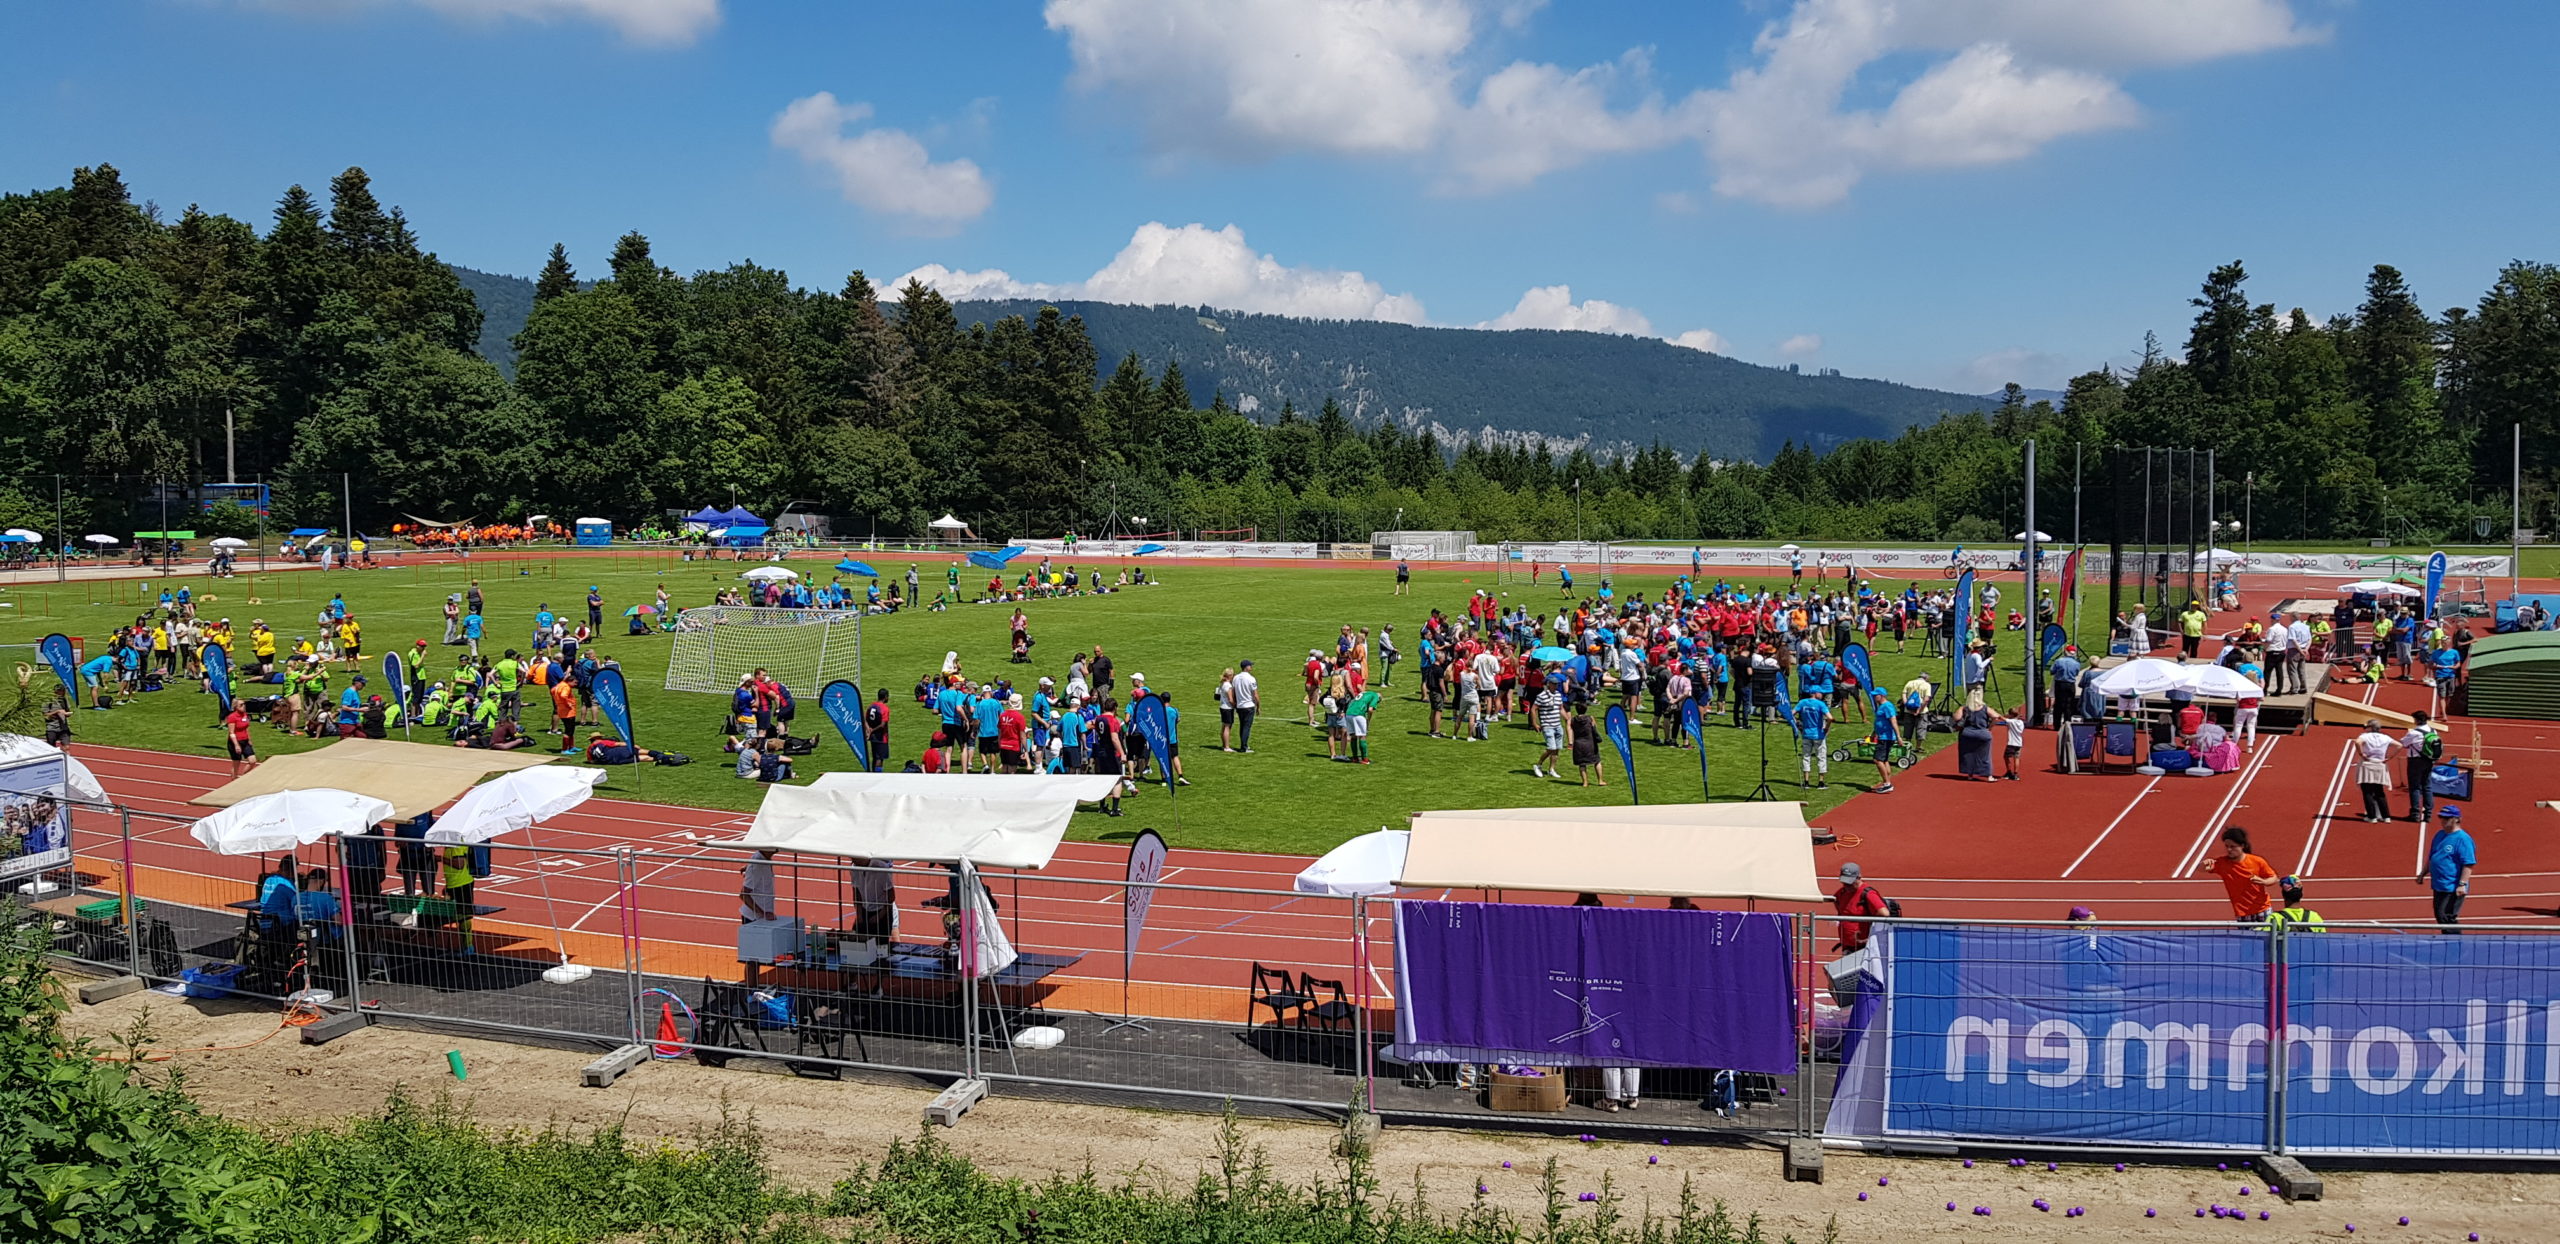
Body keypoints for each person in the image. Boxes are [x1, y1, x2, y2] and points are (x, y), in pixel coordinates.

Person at [2197, 825, 2280, 923]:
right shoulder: (2222, 863)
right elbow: (2201, 869)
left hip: (2263, 910)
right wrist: (2204, 864)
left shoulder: (2257, 861)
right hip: (2243, 914)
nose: (2229, 850)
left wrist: (2264, 882)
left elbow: (2273, 878)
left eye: (2232, 847)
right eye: (2227, 846)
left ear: (2242, 846)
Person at [2420, 806, 2476, 933]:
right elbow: (2433, 856)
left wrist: (2462, 884)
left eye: (2447, 818)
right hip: (2439, 884)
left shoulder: (2463, 839)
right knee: (2440, 915)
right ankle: (2448, 938)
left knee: (2447, 917)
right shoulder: (2440, 835)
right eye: (2441, 817)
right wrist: (2423, 873)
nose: (2443, 820)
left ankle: (2454, 941)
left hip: (2452, 886)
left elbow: (2468, 864)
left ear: (2456, 819)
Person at [1830, 862, 1891, 954]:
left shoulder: (1868, 894)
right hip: (1848, 946)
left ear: (1859, 877)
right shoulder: (1842, 893)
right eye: (1844, 883)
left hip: (1865, 947)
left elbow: (1884, 913)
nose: (1847, 886)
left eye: (1850, 883)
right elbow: (1837, 903)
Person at [2352, 719, 2397, 822]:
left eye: (2367, 727)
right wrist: (2390, 757)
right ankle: (2386, 816)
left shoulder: (2364, 736)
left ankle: (2372, 816)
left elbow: (2357, 742)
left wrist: (2361, 754)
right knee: (2379, 791)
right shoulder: (2385, 737)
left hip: (2367, 764)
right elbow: (2399, 745)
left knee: (2367, 791)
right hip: (2380, 764)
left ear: (2371, 727)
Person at [1792, 691, 1831, 789]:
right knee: (1821, 757)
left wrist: (1797, 723)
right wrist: (1826, 728)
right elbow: (1830, 718)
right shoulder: (1820, 704)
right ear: (1815, 694)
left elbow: (1791, 714)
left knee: (1806, 756)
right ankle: (1821, 782)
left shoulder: (1802, 702)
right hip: (1818, 734)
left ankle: (1806, 782)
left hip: (1806, 733)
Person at [1954, 690, 1994, 780]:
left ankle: (1970, 775)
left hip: (1967, 734)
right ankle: (1989, 775)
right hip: (1982, 734)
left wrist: (1960, 709)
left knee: (1968, 754)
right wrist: (1990, 727)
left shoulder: (1965, 708)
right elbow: (1995, 716)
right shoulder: (1985, 708)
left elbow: (1956, 717)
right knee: (1985, 755)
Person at [1532, 674, 1566, 778]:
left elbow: (1560, 708)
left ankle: (1552, 769)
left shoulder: (1558, 695)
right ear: (1549, 684)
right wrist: (1535, 723)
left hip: (1557, 725)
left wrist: (1567, 718)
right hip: (1547, 725)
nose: (1556, 686)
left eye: (1557, 684)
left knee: (1557, 749)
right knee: (1551, 747)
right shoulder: (1542, 696)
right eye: (1554, 684)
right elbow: (1534, 709)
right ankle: (1538, 765)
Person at [222, 701, 256, 776]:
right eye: (241, 705)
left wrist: (249, 739)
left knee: (252, 761)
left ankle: (243, 776)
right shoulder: (232, 717)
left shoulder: (245, 715)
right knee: (236, 764)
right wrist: (236, 745)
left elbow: (246, 728)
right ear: (236, 707)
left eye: (244, 704)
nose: (244, 706)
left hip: (245, 741)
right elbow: (231, 732)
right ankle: (234, 779)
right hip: (235, 742)